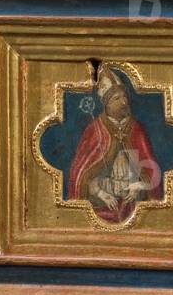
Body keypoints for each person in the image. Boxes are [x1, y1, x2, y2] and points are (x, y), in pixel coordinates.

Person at [67, 68, 161, 223]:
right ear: (107, 104)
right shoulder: (94, 130)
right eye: (117, 98)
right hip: (101, 208)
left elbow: (151, 172)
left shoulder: (137, 129)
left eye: (125, 97)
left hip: (135, 208)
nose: (124, 102)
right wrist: (102, 194)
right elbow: (82, 176)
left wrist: (139, 186)